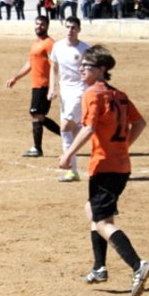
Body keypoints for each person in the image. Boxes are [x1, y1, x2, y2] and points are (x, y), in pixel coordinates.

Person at [58, 44, 149, 296]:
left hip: (104, 166)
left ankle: (137, 264)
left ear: (101, 70)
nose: (81, 69)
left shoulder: (92, 94)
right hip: (121, 165)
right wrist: (122, 146)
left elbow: (88, 129)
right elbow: (140, 123)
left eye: (87, 66)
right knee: (92, 211)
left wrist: (68, 154)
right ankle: (99, 267)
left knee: (102, 222)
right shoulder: (119, 94)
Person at [5, 15, 61, 157]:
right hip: (36, 85)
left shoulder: (49, 44)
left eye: (42, 24)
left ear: (47, 26)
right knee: (39, 116)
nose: (39, 26)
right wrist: (15, 78)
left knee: (36, 115)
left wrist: (52, 87)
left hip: (43, 86)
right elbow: (30, 63)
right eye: (37, 24)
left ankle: (37, 148)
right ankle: (67, 136)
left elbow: (54, 64)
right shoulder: (36, 44)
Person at [48, 15, 90, 182]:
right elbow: (54, 68)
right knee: (71, 130)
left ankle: (69, 162)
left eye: (73, 28)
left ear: (79, 30)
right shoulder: (57, 46)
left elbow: (91, 71)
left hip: (80, 91)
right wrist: (53, 88)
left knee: (65, 127)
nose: (70, 30)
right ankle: (73, 170)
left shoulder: (85, 49)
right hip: (65, 93)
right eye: (68, 27)